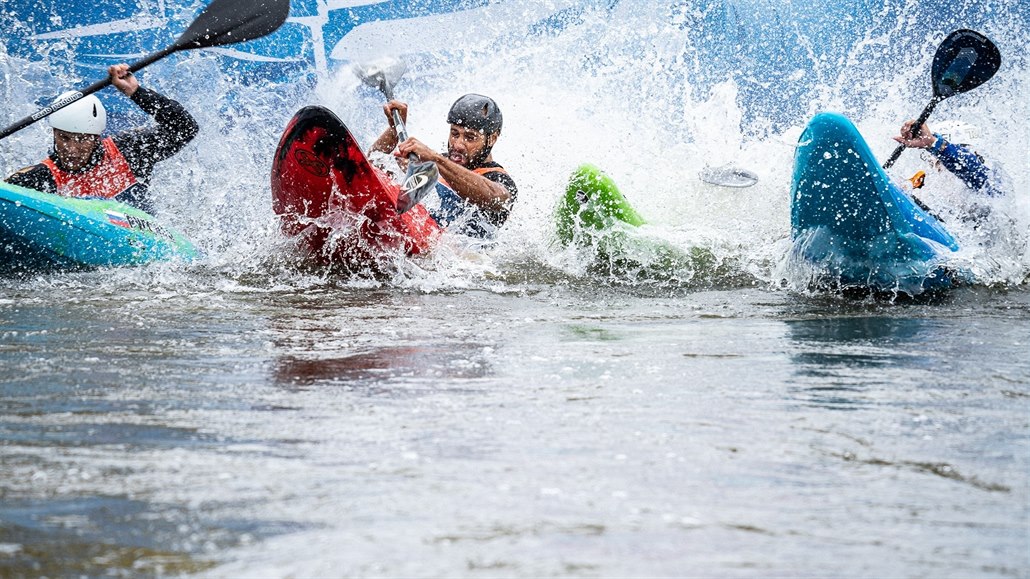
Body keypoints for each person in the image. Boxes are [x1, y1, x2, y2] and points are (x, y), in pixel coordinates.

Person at [5, 64, 199, 214]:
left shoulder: (129, 150)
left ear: (96, 137)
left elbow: (185, 128)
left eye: (82, 139)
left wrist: (136, 92)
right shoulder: (39, 178)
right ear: (54, 133)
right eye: (64, 137)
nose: (71, 148)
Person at [369, 93, 517, 238]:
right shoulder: (436, 162)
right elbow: (373, 165)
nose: (458, 144)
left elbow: (493, 197)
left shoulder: (499, 179)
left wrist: (435, 159)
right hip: (426, 240)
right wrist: (395, 128)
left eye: (470, 137)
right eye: (454, 134)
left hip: (463, 257)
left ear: (492, 139)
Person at [892, 119, 1005, 200]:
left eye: (940, 162)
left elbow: (973, 172)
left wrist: (936, 145)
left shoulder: (993, 185)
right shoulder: (930, 192)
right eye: (934, 164)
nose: (937, 168)